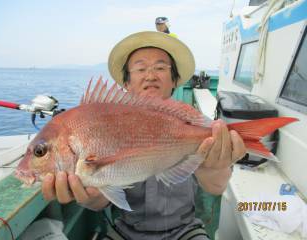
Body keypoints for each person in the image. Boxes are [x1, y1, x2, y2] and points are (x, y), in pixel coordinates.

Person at [41, 31, 246, 239]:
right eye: (140, 69)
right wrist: (90, 196)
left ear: (175, 80)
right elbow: (100, 200)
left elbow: (216, 186)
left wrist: (213, 167)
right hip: (127, 232)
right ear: (127, 83)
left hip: (185, 230)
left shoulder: (195, 124)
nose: (150, 76)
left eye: (160, 68)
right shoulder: (105, 123)